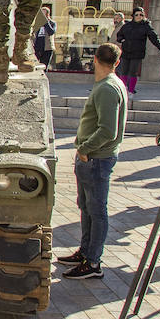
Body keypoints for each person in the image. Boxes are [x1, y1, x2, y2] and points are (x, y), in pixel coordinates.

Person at [57, 43, 127, 280]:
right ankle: (85, 252)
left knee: (97, 211)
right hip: (93, 157)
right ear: (117, 62)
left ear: (94, 59)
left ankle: (93, 262)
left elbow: (108, 130)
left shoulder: (107, 88)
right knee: (87, 207)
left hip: (97, 158)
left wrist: (85, 149)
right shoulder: (109, 85)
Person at [114, 7, 160, 95]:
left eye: (141, 15)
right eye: (137, 15)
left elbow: (154, 37)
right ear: (133, 16)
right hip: (126, 51)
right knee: (124, 71)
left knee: (133, 72)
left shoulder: (146, 26)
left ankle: (131, 89)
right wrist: (121, 40)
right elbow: (119, 35)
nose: (139, 16)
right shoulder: (127, 25)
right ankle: (124, 88)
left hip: (137, 52)